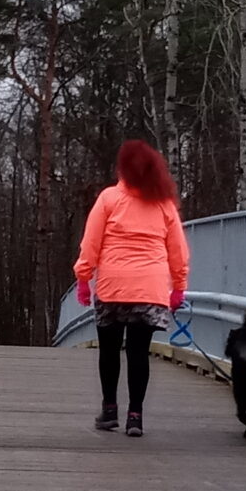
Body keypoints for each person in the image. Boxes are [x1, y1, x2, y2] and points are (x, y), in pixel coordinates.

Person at [72, 140, 189, 436]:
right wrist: (178, 286)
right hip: (150, 289)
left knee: (109, 351)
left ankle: (109, 409)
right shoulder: (164, 203)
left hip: (111, 286)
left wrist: (84, 278)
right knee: (138, 353)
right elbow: (178, 250)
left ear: (122, 168)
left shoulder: (109, 198)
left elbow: (91, 242)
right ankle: (135, 416)